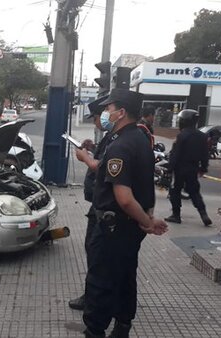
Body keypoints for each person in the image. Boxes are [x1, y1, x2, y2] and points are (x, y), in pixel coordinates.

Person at [75, 89, 168, 338]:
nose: (105, 113)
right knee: (126, 276)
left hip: (113, 227)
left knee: (100, 282)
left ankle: (95, 331)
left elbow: (125, 198)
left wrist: (148, 221)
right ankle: (122, 327)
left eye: (108, 108)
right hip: (129, 227)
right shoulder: (138, 139)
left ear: (121, 112)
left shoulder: (122, 145)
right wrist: (146, 220)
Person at [69, 95, 110, 311]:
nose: (96, 121)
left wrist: (85, 157)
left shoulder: (120, 138)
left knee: (96, 254)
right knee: (94, 253)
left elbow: (102, 167)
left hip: (105, 209)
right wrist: (91, 149)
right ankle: (93, 296)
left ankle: (94, 300)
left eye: (96, 116)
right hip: (99, 205)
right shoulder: (110, 137)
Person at [164, 109, 212, 226]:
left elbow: (175, 154)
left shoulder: (182, 136)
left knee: (175, 191)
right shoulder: (202, 136)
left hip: (179, 169)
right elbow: (205, 154)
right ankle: (203, 214)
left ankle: (176, 215)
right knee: (194, 192)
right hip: (193, 168)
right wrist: (203, 168)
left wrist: (169, 169)